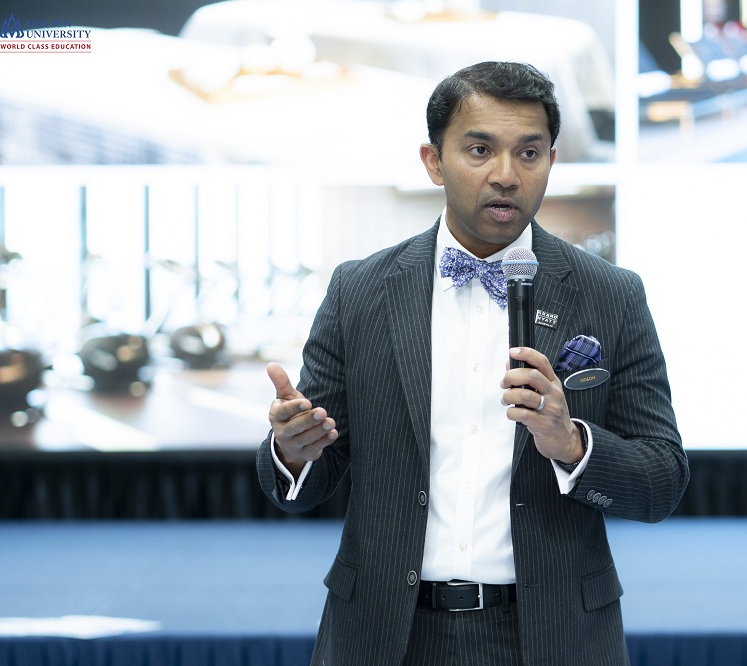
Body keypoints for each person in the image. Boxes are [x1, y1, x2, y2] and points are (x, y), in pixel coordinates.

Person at [258, 61, 688, 666]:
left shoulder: (610, 294)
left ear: (552, 162)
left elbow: (662, 481)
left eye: (529, 153)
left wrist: (571, 444)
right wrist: (294, 451)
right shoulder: (360, 291)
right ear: (433, 161)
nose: (506, 175)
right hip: (385, 633)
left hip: (554, 636)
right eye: (480, 150)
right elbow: (308, 480)